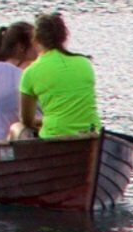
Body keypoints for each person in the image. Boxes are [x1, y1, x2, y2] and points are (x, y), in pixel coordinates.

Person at [18, 10, 100, 140]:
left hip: (54, 135)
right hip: (91, 134)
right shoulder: (85, 63)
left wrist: (42, 121)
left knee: (17, 127)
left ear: (35, 40)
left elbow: (27, 120)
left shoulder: (30, 72)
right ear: (64, 37)